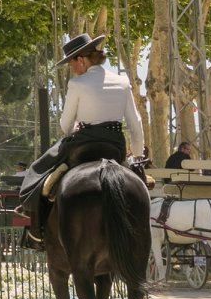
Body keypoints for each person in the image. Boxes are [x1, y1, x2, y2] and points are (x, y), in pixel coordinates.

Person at [17, 33, 144, 247]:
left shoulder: (78, 83)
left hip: (83, 144)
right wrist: (138, 156)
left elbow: (65, 126)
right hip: (115, 146)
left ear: (81, 60)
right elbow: (135, 124)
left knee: (39, 171)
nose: (71, 68)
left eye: (71, 63)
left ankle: (37, 232)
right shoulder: (123, 82)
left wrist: (77, 126)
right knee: (139, 184)